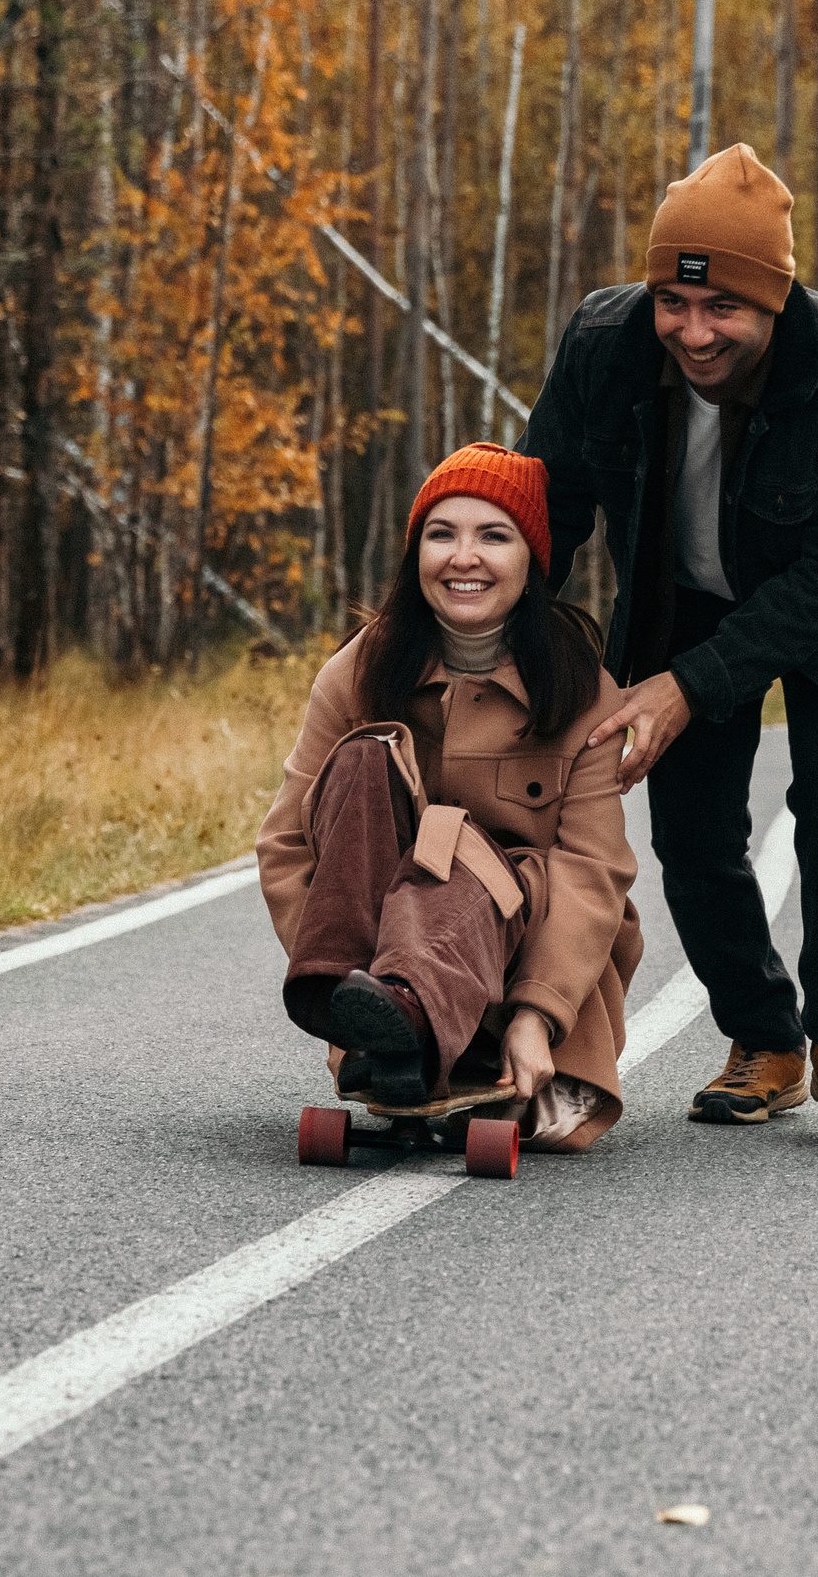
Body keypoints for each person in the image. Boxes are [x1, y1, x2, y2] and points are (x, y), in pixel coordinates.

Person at [518, 143, 818, 1136]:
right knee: (693, 826)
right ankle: (765, 1040)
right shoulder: (601, 344)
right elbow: (546, 507)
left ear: (773, 303)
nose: (693, 332)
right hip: (685, 592)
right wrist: (502, 646)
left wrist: (681, 688)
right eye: (674, 303)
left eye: (722, 310)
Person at [256, 444, 641, 1152]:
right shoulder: (359, 670)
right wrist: (344, 987)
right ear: (416, 555)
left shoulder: (583, 690)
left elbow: (595, 871)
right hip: (374, 947)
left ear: (532, 564)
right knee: (365, 760)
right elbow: (286, 844)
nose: (464, 556)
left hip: (523, 951)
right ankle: (373, 1010)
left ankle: (422, 1019)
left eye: (493, 536)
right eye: (442, 534)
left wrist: (538, 1014)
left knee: (450, 842)